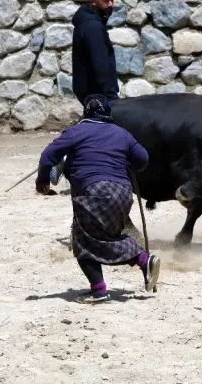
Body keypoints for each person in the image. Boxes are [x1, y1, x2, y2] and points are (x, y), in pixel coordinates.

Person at [35, 95, 161, 304]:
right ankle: (142, 261)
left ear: (86, 112)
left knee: (82, 241)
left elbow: (48, 155)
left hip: (93, 190)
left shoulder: (76, 131)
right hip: (122, 193)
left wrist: (42, 182)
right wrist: (126, 164)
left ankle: (101, 290)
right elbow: (143, 159)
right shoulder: (122, 133)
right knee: (107, 236)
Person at [52, 0, 121, 187]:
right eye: (105, 1)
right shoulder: (92, 27)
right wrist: (110, 94)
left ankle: (64, 160)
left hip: (89, 87)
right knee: (96, 130)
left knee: (92, 129)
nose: (109, 5)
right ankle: (62, 160)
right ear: (94, 2)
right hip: (96, 90)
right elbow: (100, 63)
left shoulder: (90, 22)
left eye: (111, 1)